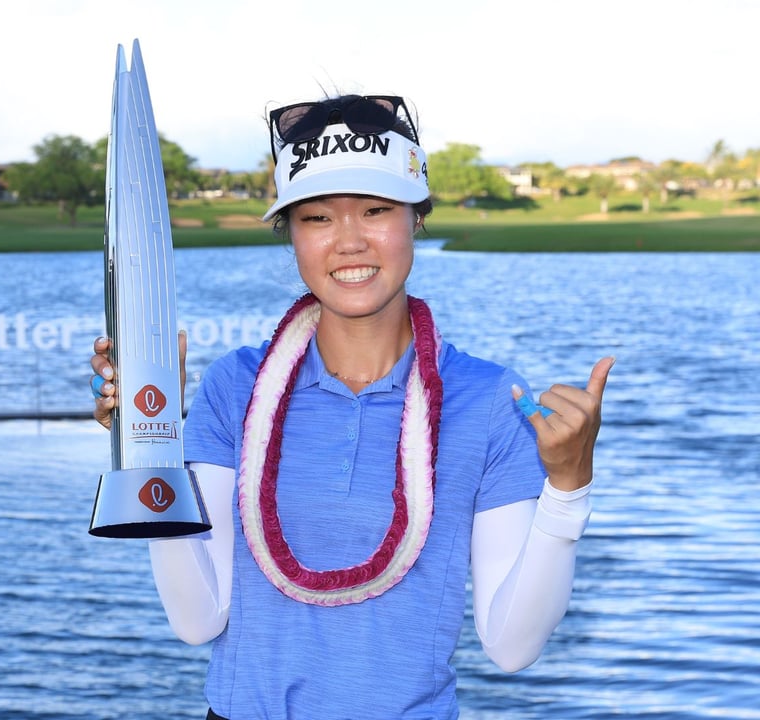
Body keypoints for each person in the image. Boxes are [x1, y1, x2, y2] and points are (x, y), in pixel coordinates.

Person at [89, 94, 614, 719]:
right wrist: (150, 445)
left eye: (375, 210)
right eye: (317, 218)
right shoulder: (236, 386)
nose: (349, 242)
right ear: (291, 235)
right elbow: (198, 620)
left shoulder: (490, 401)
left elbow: (512, 647)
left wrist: (568, 485)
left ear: (416, 217)